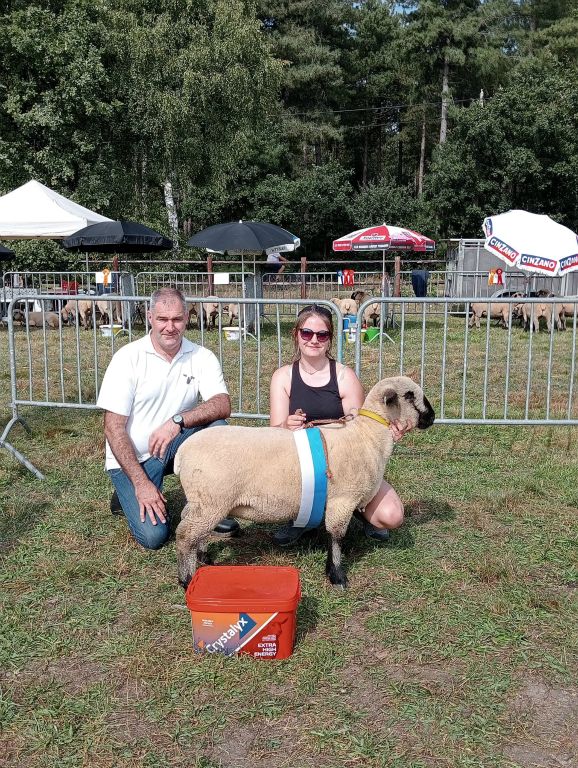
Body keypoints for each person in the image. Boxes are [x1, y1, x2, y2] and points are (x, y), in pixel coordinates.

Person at [97, 286, 239, 550]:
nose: (170, 327)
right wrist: (141, 483)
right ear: (150, 317)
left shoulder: (201, 356)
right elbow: (113, 428)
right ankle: (127, 492)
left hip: (174, 444)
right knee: (154, 537)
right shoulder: (127, 358)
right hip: (132, 458)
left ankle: (211, 506)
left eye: (177, 319)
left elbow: (222, 404)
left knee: (218, 429)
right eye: (163, 319)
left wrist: (177, 421)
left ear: (187, 317)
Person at [269, 304, 409, 546]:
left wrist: (390, 432)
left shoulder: (345, 376)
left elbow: (361, 430)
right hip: (300, 465)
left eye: (322, 335)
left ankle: (356, 507)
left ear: (330, 339)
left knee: (391, 516)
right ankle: (300, 518)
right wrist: (285, 425)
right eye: (307, 333)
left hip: (345, 464)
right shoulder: (282, 377)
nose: (314, 340)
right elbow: (273, 434)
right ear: (296, 334)